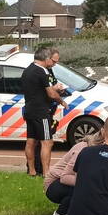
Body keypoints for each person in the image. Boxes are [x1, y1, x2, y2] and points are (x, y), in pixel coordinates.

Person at [20, 47, 68, 177]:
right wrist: (61, 101)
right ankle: (47, 173)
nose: (54, 64)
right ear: (46, 59)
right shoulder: (42, 72)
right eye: (54, 61)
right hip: (41, 112)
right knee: (47, 142)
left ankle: (32, 171)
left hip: (29, 110)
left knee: (31, 141)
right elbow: (51, 94)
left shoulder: (28, 70)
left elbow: (37, 89)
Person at [44, 132, 103, 215]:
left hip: (65, 182)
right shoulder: (82, 151)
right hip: (54, 184)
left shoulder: (90, 149)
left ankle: (70, 214)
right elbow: (65, 178)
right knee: (82, 188)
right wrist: (88, 183)